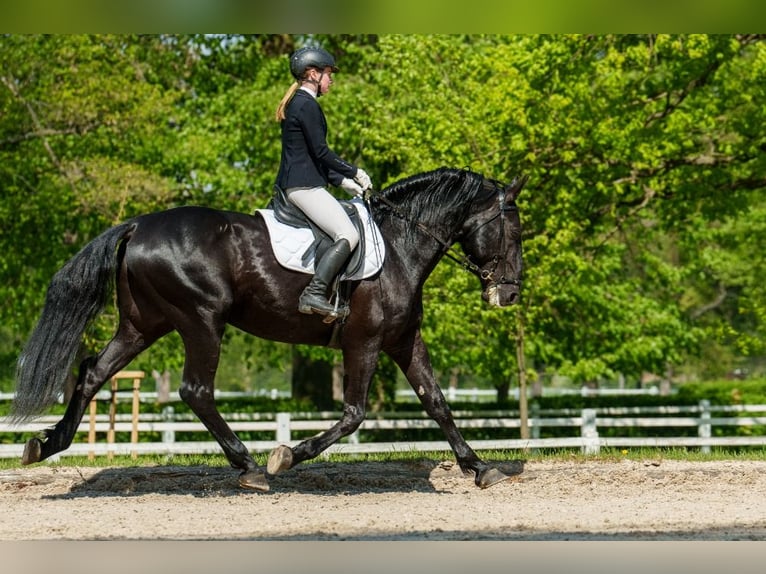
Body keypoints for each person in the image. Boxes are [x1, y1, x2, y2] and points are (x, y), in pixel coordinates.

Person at [274, 45, 372, 319]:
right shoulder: (306, 105)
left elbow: (310, 156)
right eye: (328, 74)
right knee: (349, 234)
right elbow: (321, 152)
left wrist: (341, 181)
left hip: (302, 181)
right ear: (312, 74)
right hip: (303, 187)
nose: (331, 79)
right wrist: (354, 172)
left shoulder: (300, 104)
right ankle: (314, 293)